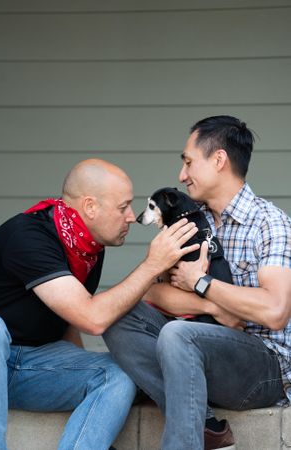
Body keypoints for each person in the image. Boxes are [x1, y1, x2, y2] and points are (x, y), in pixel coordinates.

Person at [103, 116, 291, 450]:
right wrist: (210, 305)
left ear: (218, 160)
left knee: (178, 334)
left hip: (264, 367)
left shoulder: (270, 224)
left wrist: (200, 282)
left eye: (189, 162)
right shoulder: (185, 219)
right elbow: (152, 290)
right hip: (197, 349)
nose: (181, 175)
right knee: (117, 313)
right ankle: (206, 425)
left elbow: (275, 311)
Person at [0, 158, 198, 450]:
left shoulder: (87, 248)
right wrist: (152, 266)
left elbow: (70, 319)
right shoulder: (28, 236)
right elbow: (91, 319)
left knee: (120, 373)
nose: (131, 217)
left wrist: (82, 377)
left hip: (28, 367)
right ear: (90, 207)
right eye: (123, 206)